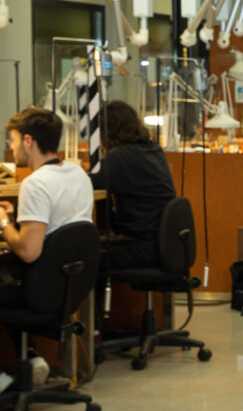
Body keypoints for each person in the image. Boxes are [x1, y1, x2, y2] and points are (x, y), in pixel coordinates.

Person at [1, 107, 94, 305]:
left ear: (28, 141)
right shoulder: (78, 174)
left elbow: (28, 252)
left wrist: (2, 222)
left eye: (14, 140)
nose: (11, 147)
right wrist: (16, 216)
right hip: (72, 283)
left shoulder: (35, 183)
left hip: (41, 288)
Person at [91, 100, 176, 269]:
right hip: (164, 245)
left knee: (84, 256)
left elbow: (89, 182)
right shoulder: (153, 149)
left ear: (107, 131)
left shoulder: (121, 157)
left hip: (142, 248)